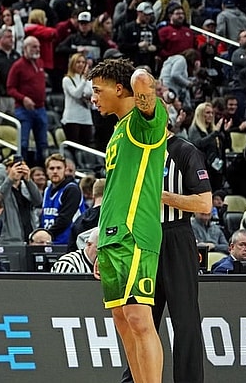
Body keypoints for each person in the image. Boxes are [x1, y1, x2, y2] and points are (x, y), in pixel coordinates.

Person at [88, 59, 167, 383]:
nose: (93, 97)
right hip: (112, 236)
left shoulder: (141, 122)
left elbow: (145, 85)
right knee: (122, 319)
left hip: (135, 233)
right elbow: (117, 191)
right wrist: (99, 239)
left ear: (119, 88)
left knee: (138, 318)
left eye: (97, 90)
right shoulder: (119, 130)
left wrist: (136, 76)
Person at [120, 126, 211, 383]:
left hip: (175, 236)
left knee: (185, 321)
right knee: (139, 318)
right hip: (140, 238)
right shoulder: (134, 152)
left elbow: (204, 203)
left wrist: (161, 196)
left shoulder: (184, 151)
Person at [0, 154, 41, 244]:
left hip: (28, 239)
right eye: (13, 166)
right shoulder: (2, 186)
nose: (18, 170)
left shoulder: (25, 187)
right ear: (6, 169)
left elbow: (38, 201)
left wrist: (28, 180)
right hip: (8, 241)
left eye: (21, 166)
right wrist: (10, 179)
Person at [7, 36, 48, 166]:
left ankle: (41, 170)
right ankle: (21, 169)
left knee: (43, 143)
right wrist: (23, 98)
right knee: (23, 143)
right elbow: (10, 88)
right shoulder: (17, 66)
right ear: (25, 48)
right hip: (23, 110)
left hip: (40, 108)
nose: (37, 49)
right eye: (34, 47)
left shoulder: (40, 63)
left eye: (38, 47)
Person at [41, 153, 83, 245]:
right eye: (51, 168)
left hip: (68, 243)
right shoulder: (47, 190)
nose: (55, 171)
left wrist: (46, 234)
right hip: (50, 241)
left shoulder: (72, 189)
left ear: (65, 170)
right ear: (46, 171)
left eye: (59, 168)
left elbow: (65, 219)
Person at [62, 53, 94, 144]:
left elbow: (91, 92)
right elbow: (76, 94)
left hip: (86, 118)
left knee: (87, 147)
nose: (81, 64)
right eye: (78, 62)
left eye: (83, 62)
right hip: (72, 119)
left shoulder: (87, 79)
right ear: (72, 63)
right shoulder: (67, 79)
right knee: (74, 148)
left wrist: (85, 80)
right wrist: (84, 80)